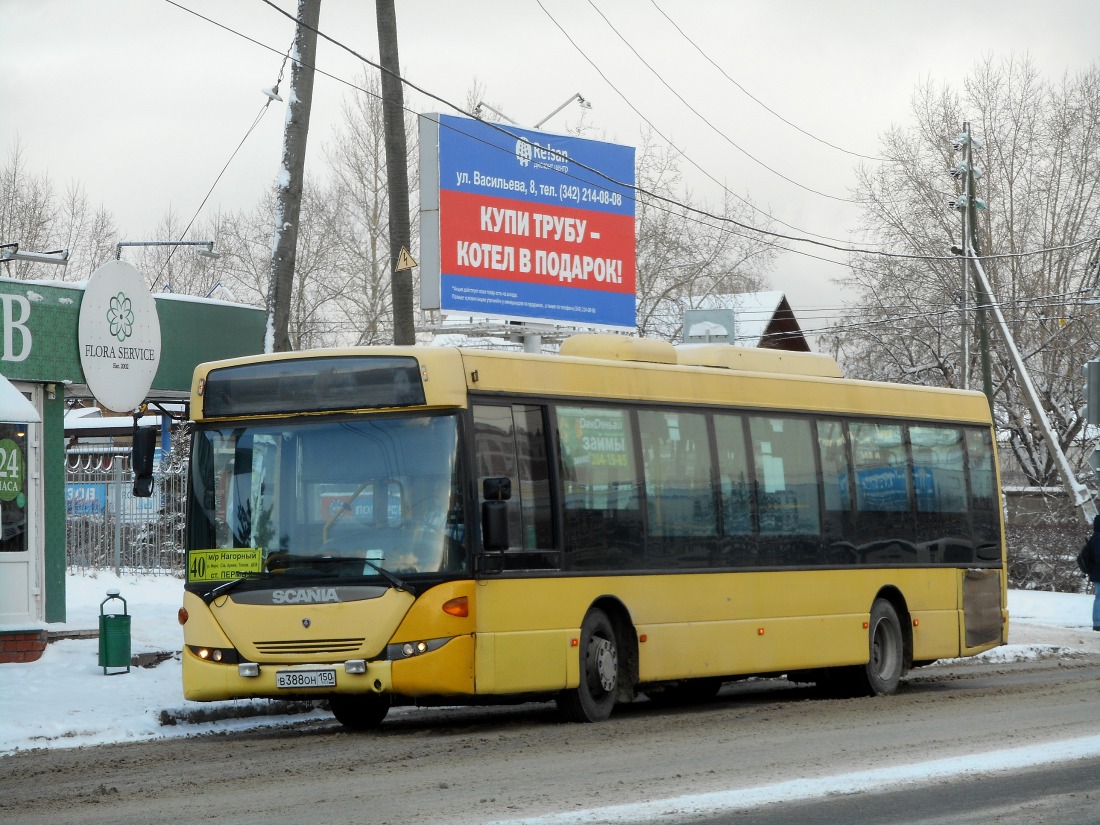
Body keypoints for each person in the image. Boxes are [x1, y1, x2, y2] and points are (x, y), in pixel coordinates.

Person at [1084, 514, 1100, 630]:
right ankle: (1097, 623)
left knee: (1099, 598)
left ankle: (1097, 622)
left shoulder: (1094, 538)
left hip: (1096, 572)